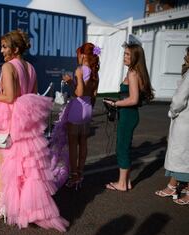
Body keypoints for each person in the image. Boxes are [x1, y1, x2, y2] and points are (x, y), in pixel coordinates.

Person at [0, 29, 69, 232]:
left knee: (4, 166)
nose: (1, 51)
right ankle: (25, 207)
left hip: (8, 122)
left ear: (15, 49)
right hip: (25, 125)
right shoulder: (31, 68)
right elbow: (32, 97)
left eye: (5, 47)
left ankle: (4, 207)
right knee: (24, 168)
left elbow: (9, 98)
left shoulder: (8, 67)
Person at [104, 43, 154, 191]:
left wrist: (115, 104)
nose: (124, 57)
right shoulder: (135, 72)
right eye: (124, 54)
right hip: (129, 114)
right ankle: (126, 182)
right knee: (124, 147)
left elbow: (133, 99)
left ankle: (121, 184)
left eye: (127, 54)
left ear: (135, 57)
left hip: (128, 115)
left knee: (122, 149)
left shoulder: (133, 73)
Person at [50, 43, 100, 189]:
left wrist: (73, 79)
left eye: (78, 54)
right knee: (83, 142)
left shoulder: (81, 69)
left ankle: (74, 176)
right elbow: (92, 94)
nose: (77, 57)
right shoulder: (94, 72)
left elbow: (78, 93)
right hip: (88, 108)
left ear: (83, 55)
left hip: (77, 108)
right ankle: (80, 172)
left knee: (73, 145)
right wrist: (73, 83)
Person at [155, 46, 189, 205]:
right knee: (183, 156)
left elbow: (178, 100)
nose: (184, 58)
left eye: (187, 55)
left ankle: (181, 190)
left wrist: (172, 112)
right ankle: (173, 186)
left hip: (184, 121)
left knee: (181, 156)